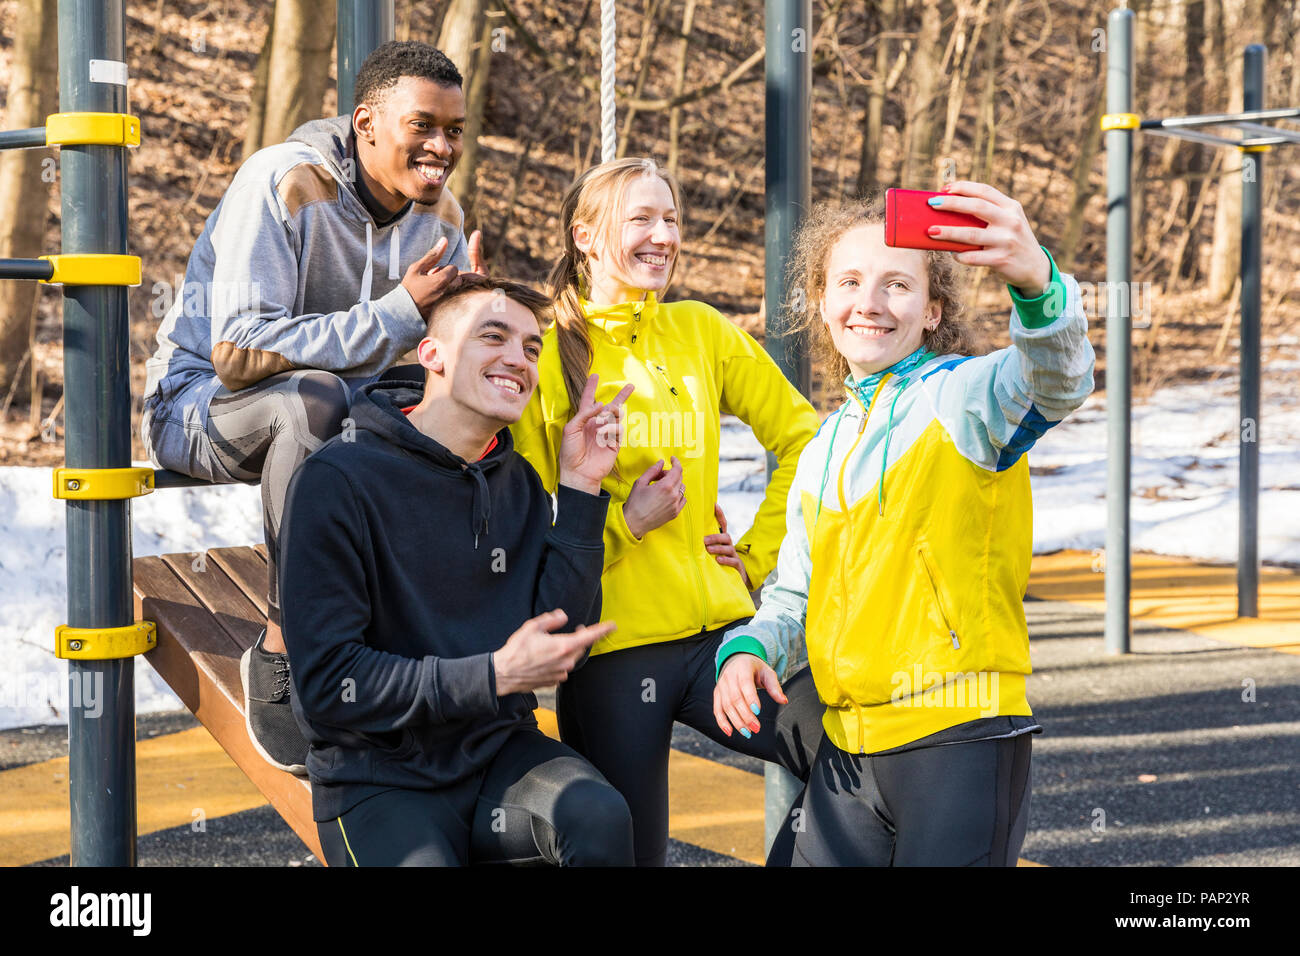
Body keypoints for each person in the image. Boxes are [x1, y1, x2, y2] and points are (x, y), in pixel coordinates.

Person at [713, 181, 1096, 866]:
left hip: (959, 738)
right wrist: (749, 649)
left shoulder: (963, 395)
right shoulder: (824, 447)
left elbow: (1058, 380)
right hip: (850, 749)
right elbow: (794, 596)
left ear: (931, 311)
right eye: (850, 281)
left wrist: (1036, 284)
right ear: (823, 304)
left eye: (896, 284)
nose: (869, 302)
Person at [140, 41, 484, 775]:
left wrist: (471, 327)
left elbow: (411, 363)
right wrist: (399, 311)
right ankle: (283, 644)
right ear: (366, 123)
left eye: (454, 130)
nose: (442, 147)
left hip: (340, 408)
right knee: (314, 401)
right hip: (201, 404)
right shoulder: (282, 180)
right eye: (422, 125)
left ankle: (416, 639)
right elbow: (237, 353)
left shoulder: (443, 217)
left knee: (444, 408)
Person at [511, 157, 825, 867]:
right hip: (614, 653)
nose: (663, 235)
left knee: (848, 751)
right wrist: (628, 523)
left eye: (672, 218)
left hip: (723, 638)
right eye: (642, 219)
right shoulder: (547, 352)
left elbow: (807, 439)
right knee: (631, 854)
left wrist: (755, 553)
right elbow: (531, 524)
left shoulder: (700, 331)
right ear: (585, 237)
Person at [279, 275, 636, 866]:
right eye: (491, 336)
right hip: (380, 776)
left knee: (598, 815)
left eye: (530, 347)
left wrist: (581, 485)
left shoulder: (516, 480)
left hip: (498, 751)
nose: (517, 359)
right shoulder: (337, 480)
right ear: (432, 355)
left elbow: (559, 627)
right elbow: (329, 684)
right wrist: (491, 674)